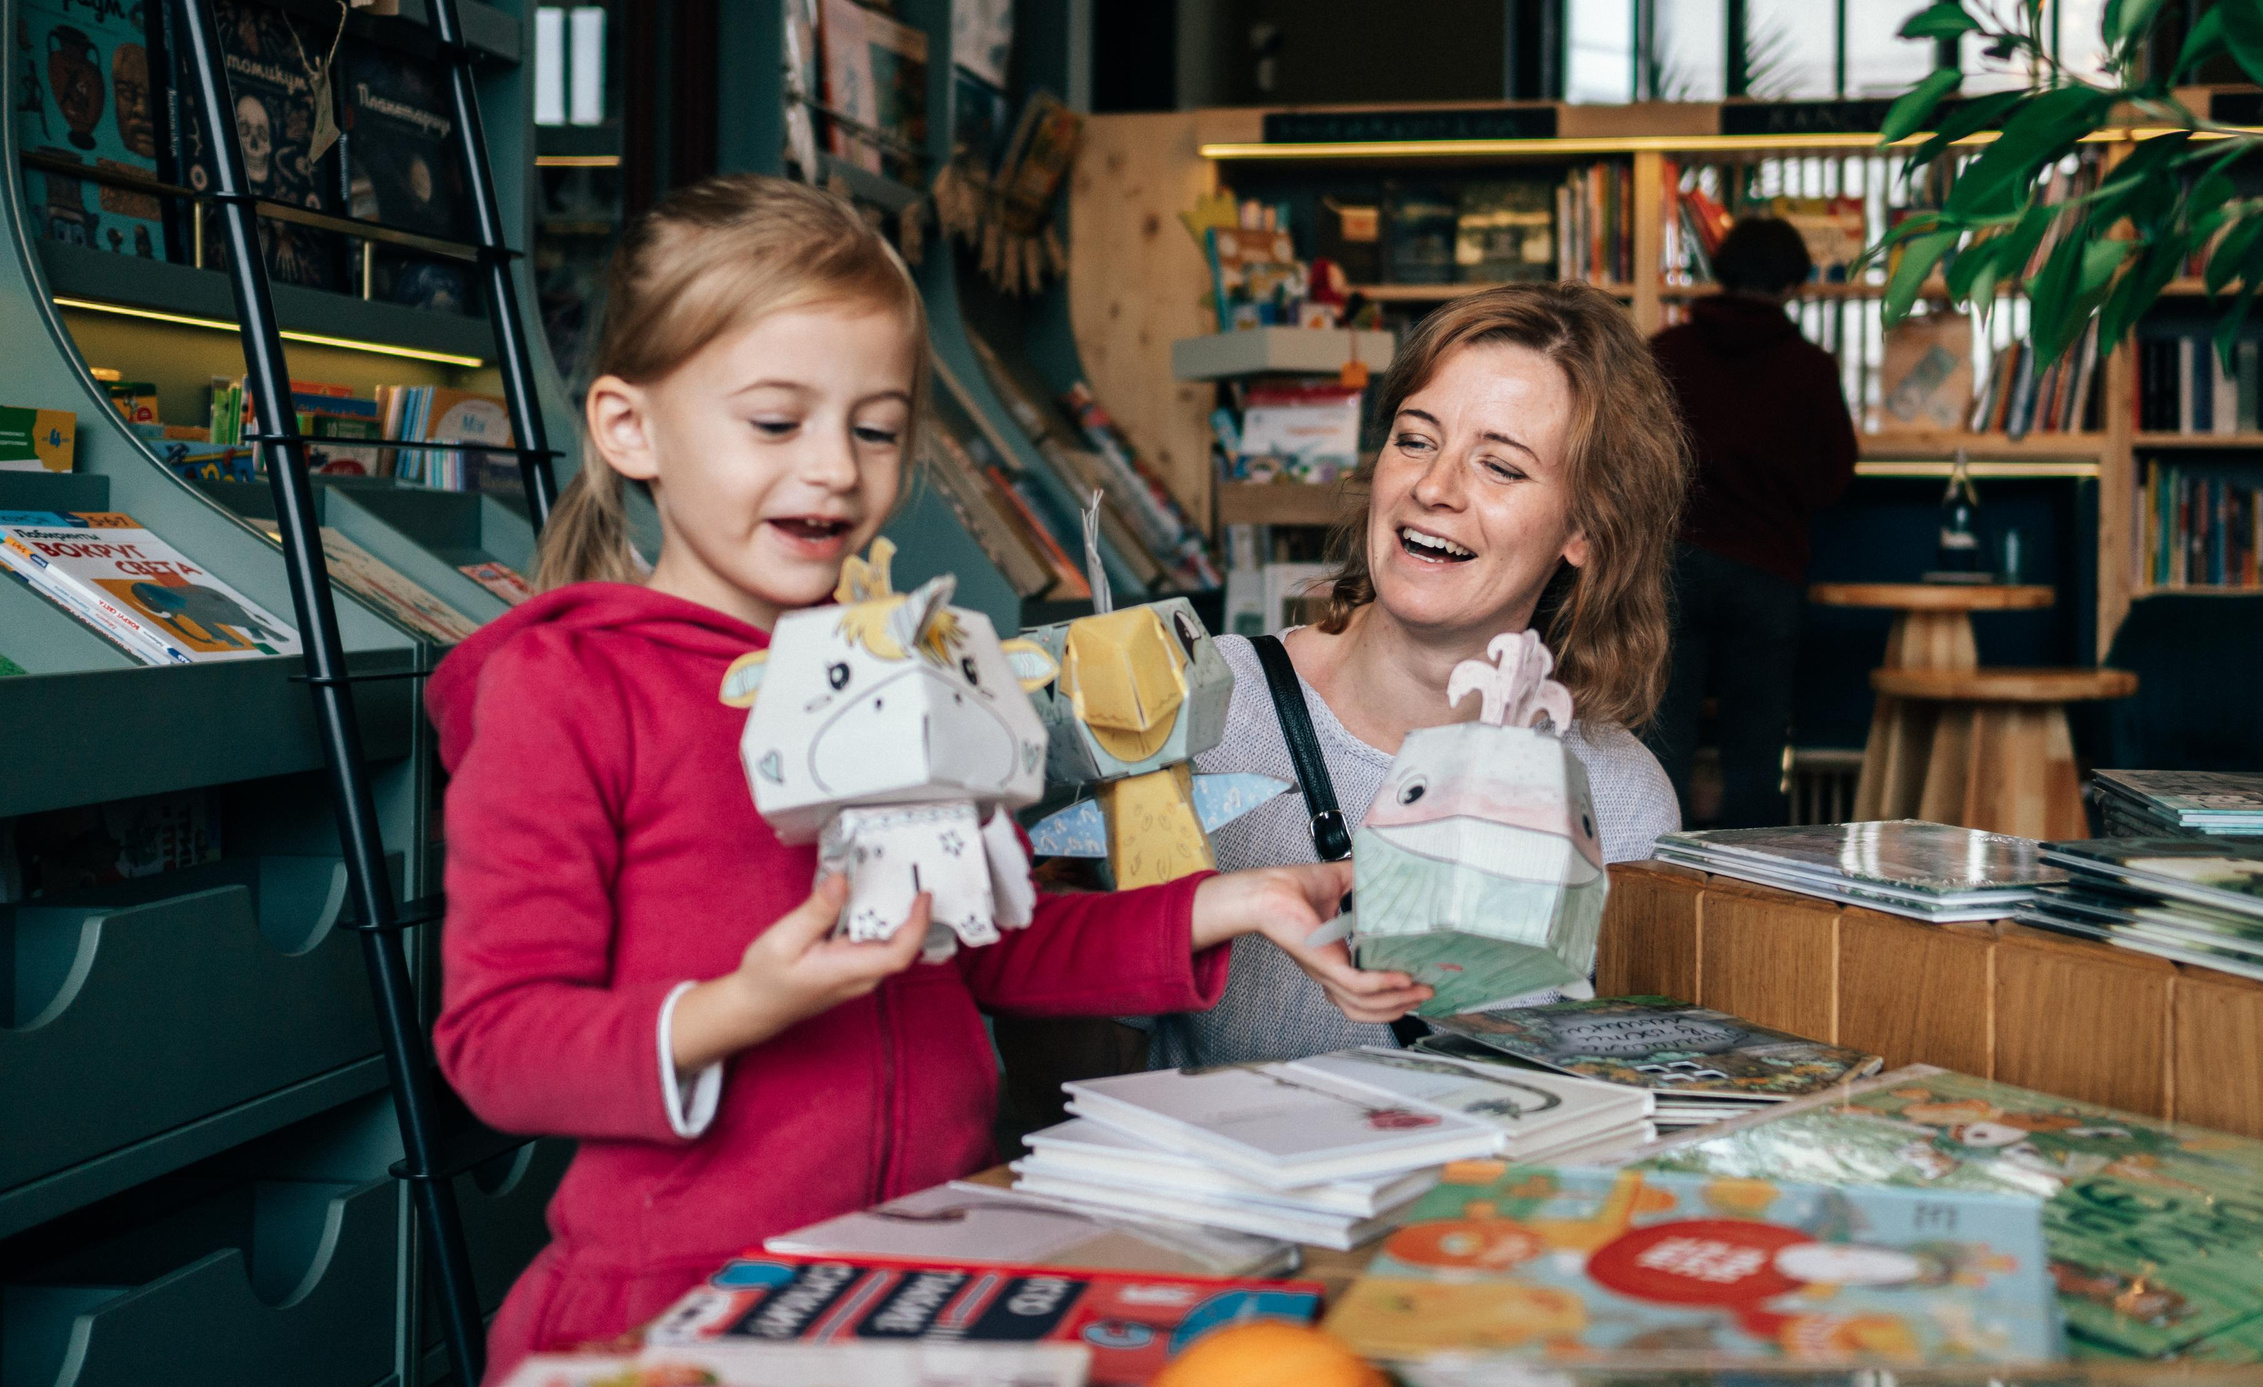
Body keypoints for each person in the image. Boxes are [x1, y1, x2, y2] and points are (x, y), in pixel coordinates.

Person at [428, 175, 1421, 1377]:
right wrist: (742, 1007)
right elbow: (498, 1049)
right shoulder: (563, 692)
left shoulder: (903, 666)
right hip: (684, 1315)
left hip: (920, 1278)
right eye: (775, 421)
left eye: (877, 426)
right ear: (630, 428)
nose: (837, 470)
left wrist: (1235, 902)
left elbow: (983, 948)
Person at [1153, 283, 1687, 1070]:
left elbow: (1630, 1094)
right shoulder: (1211, 710)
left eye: (1500, 466)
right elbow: (1079, 1051)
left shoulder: (1618, 798)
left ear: (1583, 528)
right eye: (1414, 439)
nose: (1435, 487)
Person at [1647, 215, 1858, 829]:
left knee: (1661, 738)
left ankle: (1655, 872)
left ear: (1721, 271)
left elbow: (1633, 461)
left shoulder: (1667, 354)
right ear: (1794, 282)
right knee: (1757, 744)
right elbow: (1832, 480)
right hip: (1767, 570)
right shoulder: (1811, 368)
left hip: (1674, 564)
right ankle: (1756, 884)